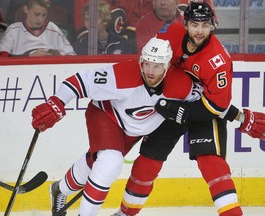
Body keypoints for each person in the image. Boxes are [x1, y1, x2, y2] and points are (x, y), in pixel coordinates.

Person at [111, 2, 265, 216]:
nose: (199, 31)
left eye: (204, 25)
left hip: (204, 110)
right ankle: (125, 213)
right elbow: (151, 65)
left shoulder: (217, 60)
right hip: (171, 102)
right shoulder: (170, 34)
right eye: (194, 25)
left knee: (211, 162)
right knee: (148, 160)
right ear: (186, 24)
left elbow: (216, 106)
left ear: (212, 26)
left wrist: (182, 111)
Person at [31, 37, 204, 216]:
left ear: (167, 66)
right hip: (106, 115)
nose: (150, 71)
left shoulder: (182, 85)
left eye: (157, 65)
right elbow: (79, 81)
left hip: (135, 127)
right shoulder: (123, 74)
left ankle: (60, 189)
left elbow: (204, 99)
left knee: (95, 162)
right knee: (110, 162)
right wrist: (55, 103)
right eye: (147, 64)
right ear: (141, 61)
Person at [0, 0, 76, 57]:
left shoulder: (53, 28)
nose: (40, 19)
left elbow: (71, 55)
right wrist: (28, 56)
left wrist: (57, 56)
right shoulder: (13, 30)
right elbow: (0, 56)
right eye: (37, 14)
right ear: (26, 9)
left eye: (44, 15)